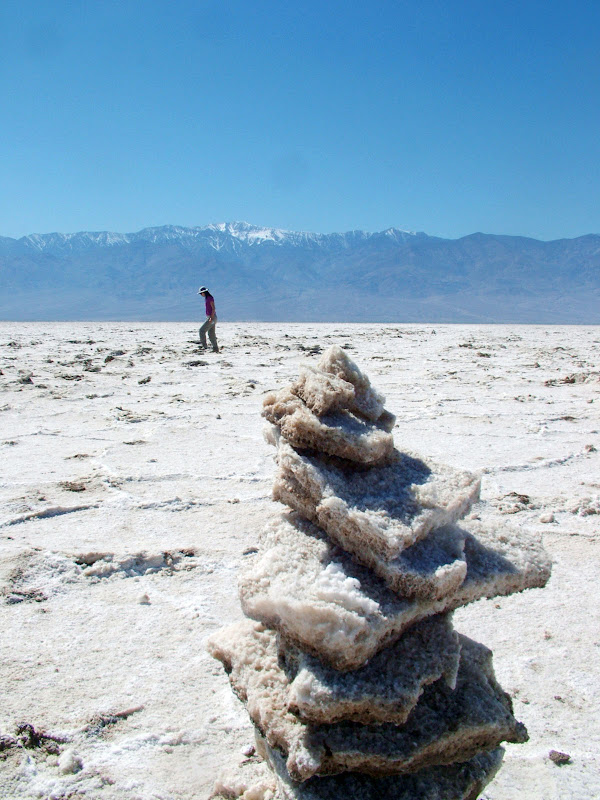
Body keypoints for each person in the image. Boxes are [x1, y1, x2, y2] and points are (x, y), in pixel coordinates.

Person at [198, 286, 219, 352]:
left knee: (201, 330)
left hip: (212, 317)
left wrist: (211, 318)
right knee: (211, 334)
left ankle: (204, 346)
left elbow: (213, 308)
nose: (201, 295)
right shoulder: (207, 298)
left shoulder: (210, 298)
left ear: (204, 293)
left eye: (201, 293)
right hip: (212, 317)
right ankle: (215, 348)